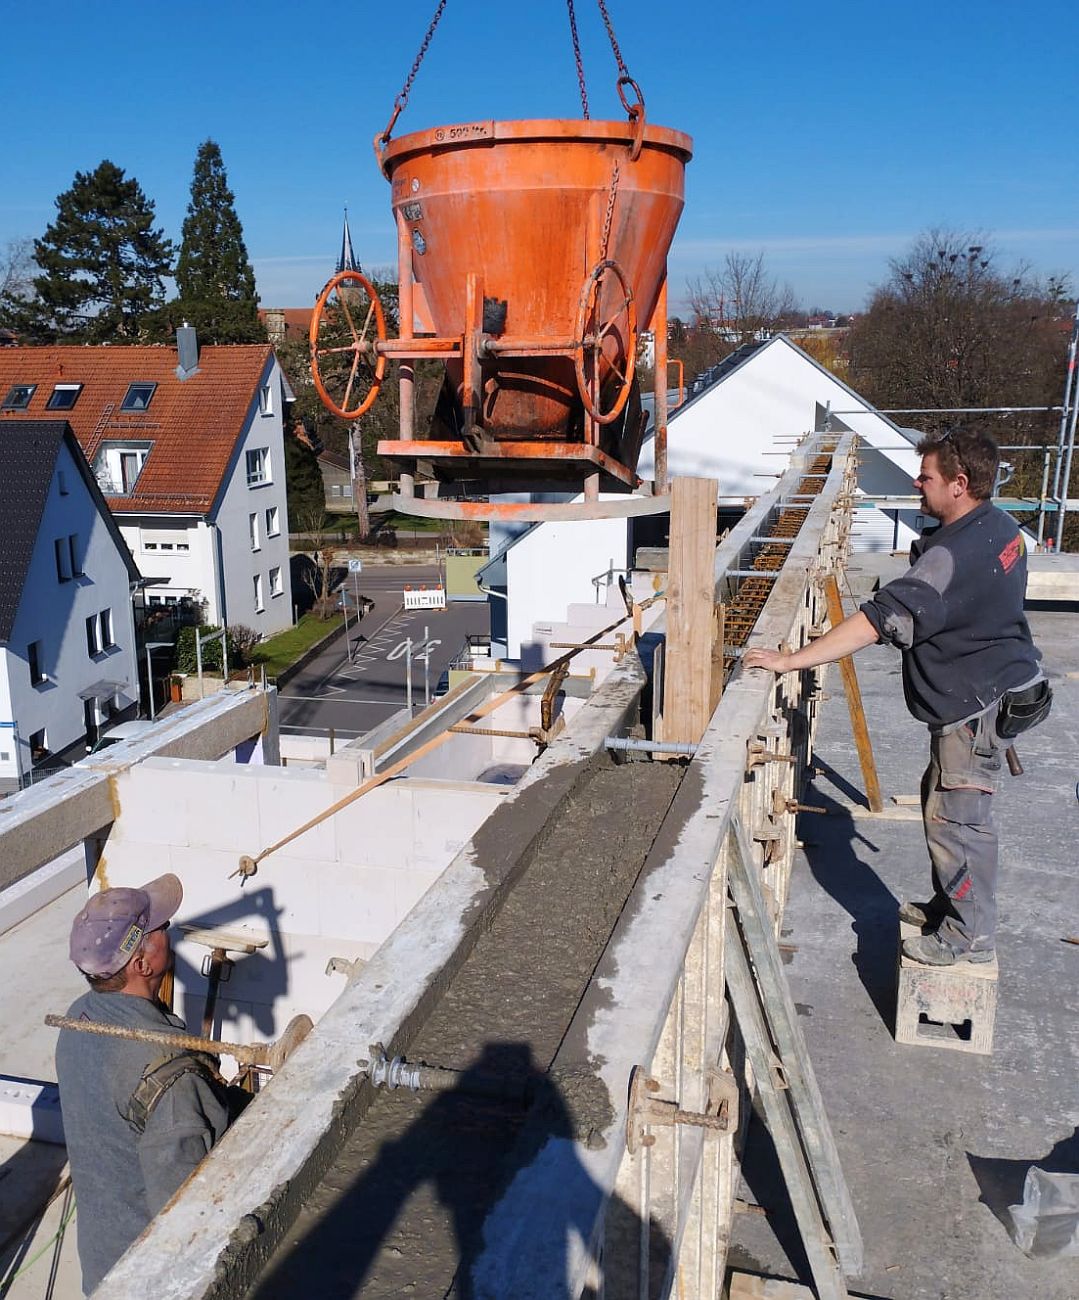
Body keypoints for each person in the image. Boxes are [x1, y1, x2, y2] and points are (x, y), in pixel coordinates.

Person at [744, 429, 1049, 967]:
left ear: (960, 484)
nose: (917, 483)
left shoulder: (949, 556)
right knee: (945, 801)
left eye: (926, 476)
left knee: (957, 820)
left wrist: (791, 660)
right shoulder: (1003, 529)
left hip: (974, 707)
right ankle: (954, 905)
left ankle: (968, 935)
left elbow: (875, 622)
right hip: (1002, 687)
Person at [55, 875, 231, 1294]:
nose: (167, 932)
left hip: (102, 1265)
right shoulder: (171, 1080)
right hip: (149, 1282)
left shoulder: (77, 1019)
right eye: (158, 930)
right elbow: (187, 1221)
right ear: (142, 965)